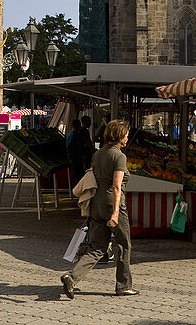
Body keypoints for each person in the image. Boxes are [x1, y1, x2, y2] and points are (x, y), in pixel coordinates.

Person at [61, 119, 137, 299]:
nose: (128, 137)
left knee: (97, 247)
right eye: (126, 134)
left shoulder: (98, 154)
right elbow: (117, 186)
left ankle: (71, 277)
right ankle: (124, 285)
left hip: (97, 204)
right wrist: (116, 213)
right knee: (124, 245)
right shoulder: (119, 156)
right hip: (113, 204)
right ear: (119, 136)